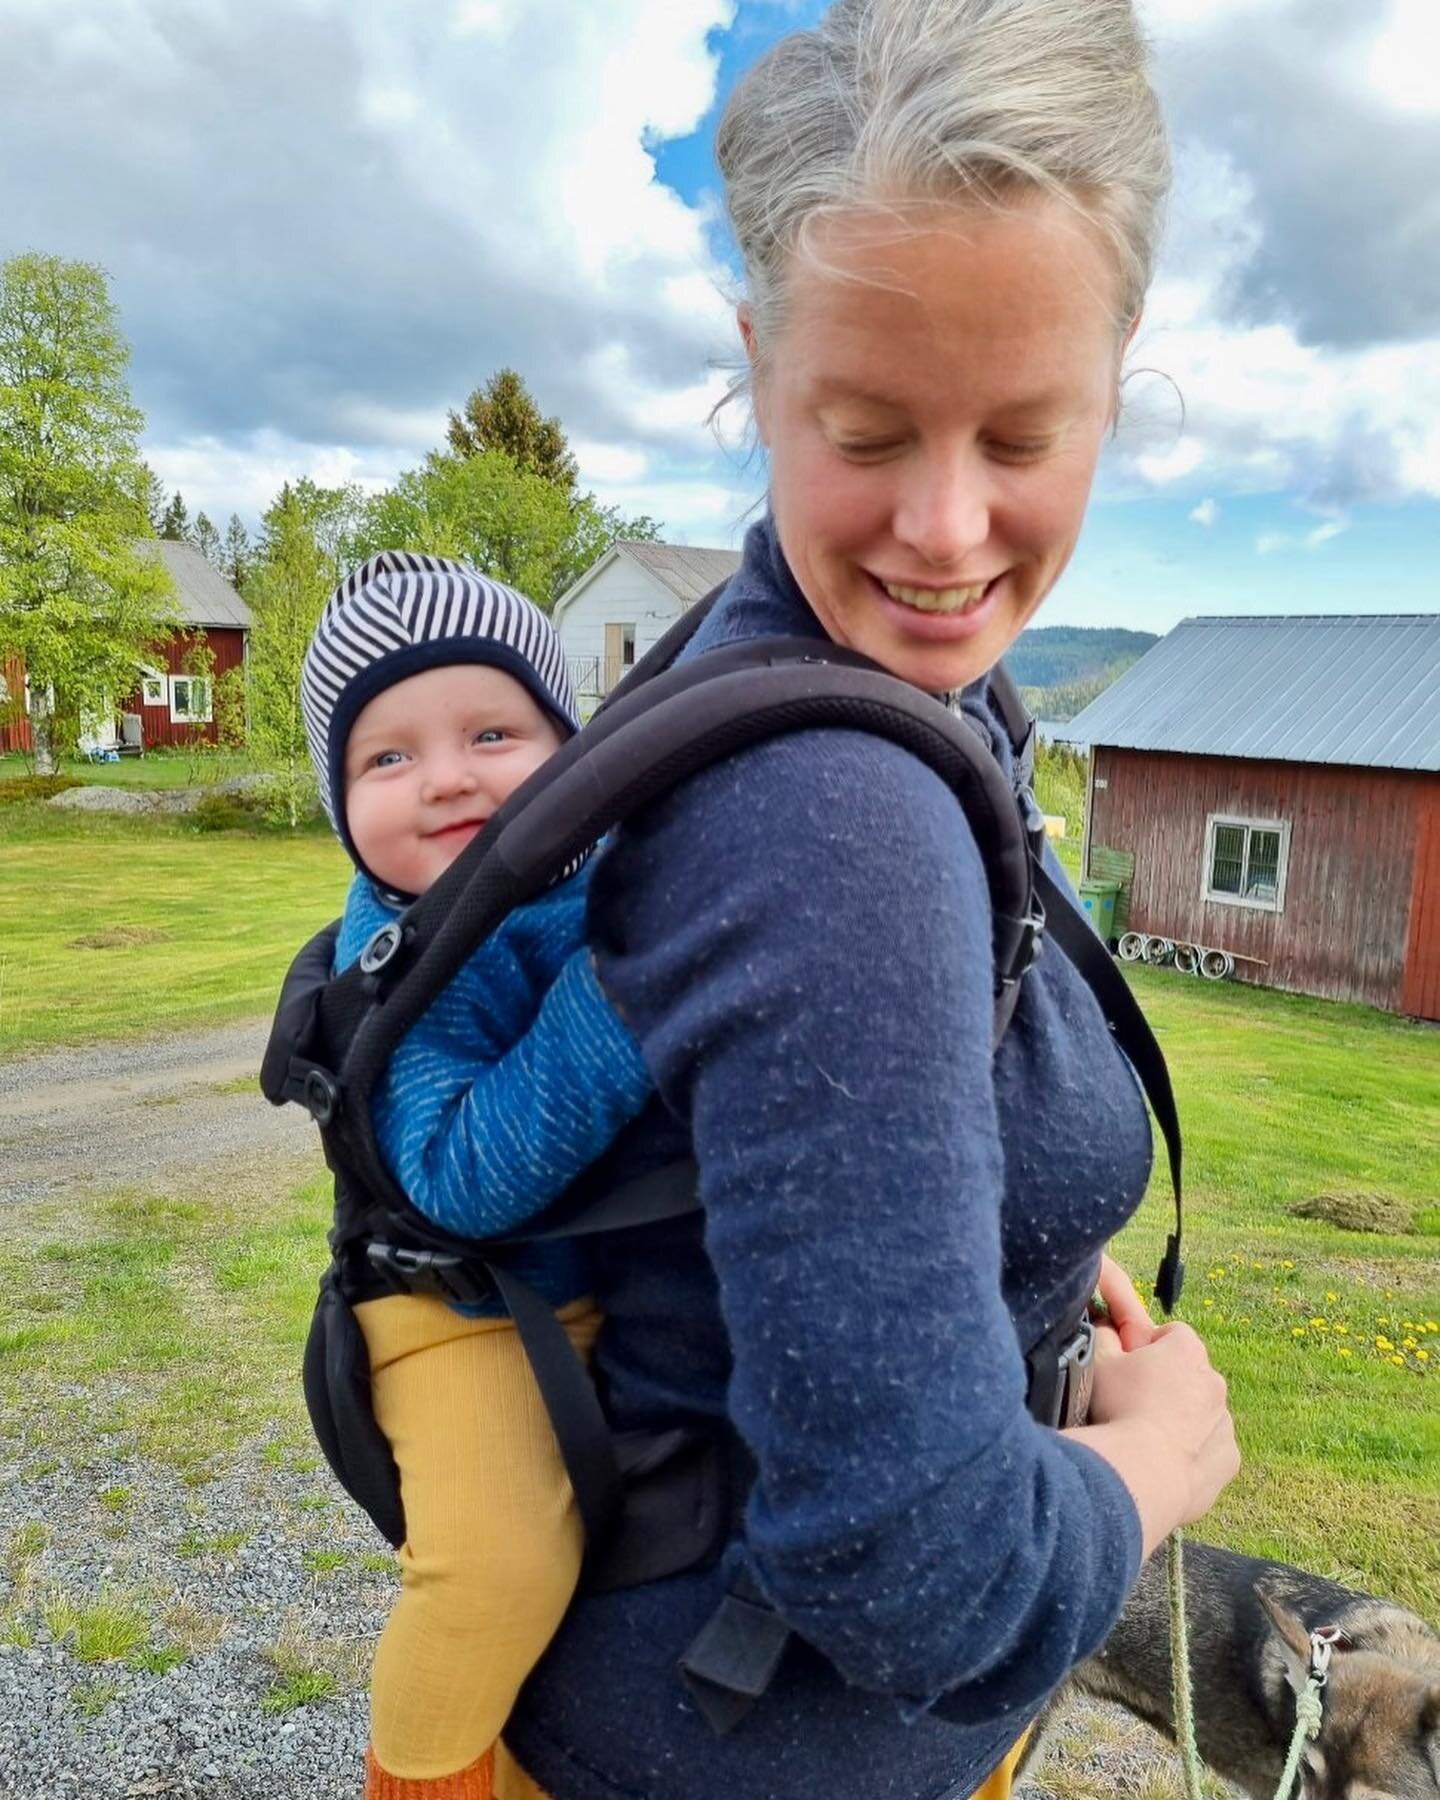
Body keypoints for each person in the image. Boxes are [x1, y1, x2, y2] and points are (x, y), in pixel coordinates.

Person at [494, 2, 1240, 1796]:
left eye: (1021, 436)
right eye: (865, 427)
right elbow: (908, 1579)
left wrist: (1011, 1242)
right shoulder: (838, 813)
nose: (944, 528)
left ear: (1115, 378)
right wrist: (1163, 1467)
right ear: (757, 365)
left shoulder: (879, 682)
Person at [298, 551, 653, 1800]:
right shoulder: (407, 949)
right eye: (385, 757)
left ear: (571, 745)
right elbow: (453, 1171)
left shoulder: (620, 867)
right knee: (498, 1561)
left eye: (492, 730)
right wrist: (622, 1006)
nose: (444, 776)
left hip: (619, 1278)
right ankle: (422, 1775)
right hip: (460, 1307)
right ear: (340, 802)